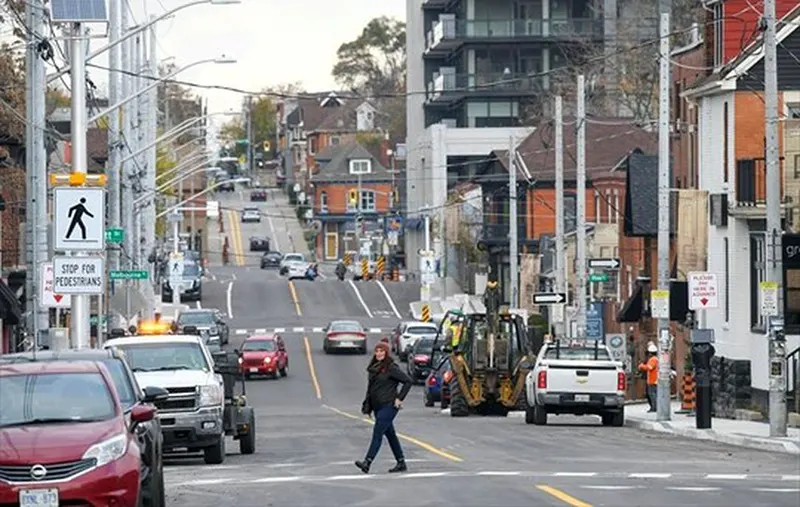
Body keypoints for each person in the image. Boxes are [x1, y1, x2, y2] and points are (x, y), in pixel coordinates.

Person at [355, 341, 412, 474]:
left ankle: (367, 462)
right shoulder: (374, 368)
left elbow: (408, 381)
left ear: (386, 353)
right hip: (378, 406)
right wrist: (367, 407)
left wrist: (400, 398)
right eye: (377, 351)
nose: (379, 353)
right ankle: (401, 462)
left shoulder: (391, 368)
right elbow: (371, 390)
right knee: (390, 434)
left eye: (382, 351)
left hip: (389, 405)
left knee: (377, 433)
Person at [638, 342, 659, 412]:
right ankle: (654, 407)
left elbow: (649, 367)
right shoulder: (656, 359)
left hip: (652, 380)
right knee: (653, 394)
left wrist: (641, 366)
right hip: (654, 380)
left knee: (652, 395)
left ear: (650, 353)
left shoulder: (653, 359)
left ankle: (654, 407)